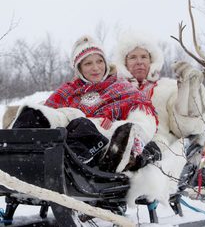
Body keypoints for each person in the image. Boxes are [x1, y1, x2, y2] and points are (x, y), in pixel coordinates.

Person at [10, 35, 162, 207]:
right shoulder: (68, 91)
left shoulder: (122, 88)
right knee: (33, 114)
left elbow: (144, 118)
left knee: (82, 125)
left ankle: (63, 166)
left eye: (99, 61)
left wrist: (131, 133)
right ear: (79, 68)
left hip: (103, 143)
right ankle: (15, 156)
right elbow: (51, 110)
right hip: (65, 138)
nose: (96, 68)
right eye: (88, 63)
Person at [112, 32, 205, 205]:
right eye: (133, 57)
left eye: (144, 56)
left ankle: (136, 163)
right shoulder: (115, 91)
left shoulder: (167, 88)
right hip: (121, 142)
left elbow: (186, 127)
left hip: (160, 146)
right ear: (124, 62)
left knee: (152, 148)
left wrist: (188, 90)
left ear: (152, 61)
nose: (139, 61)